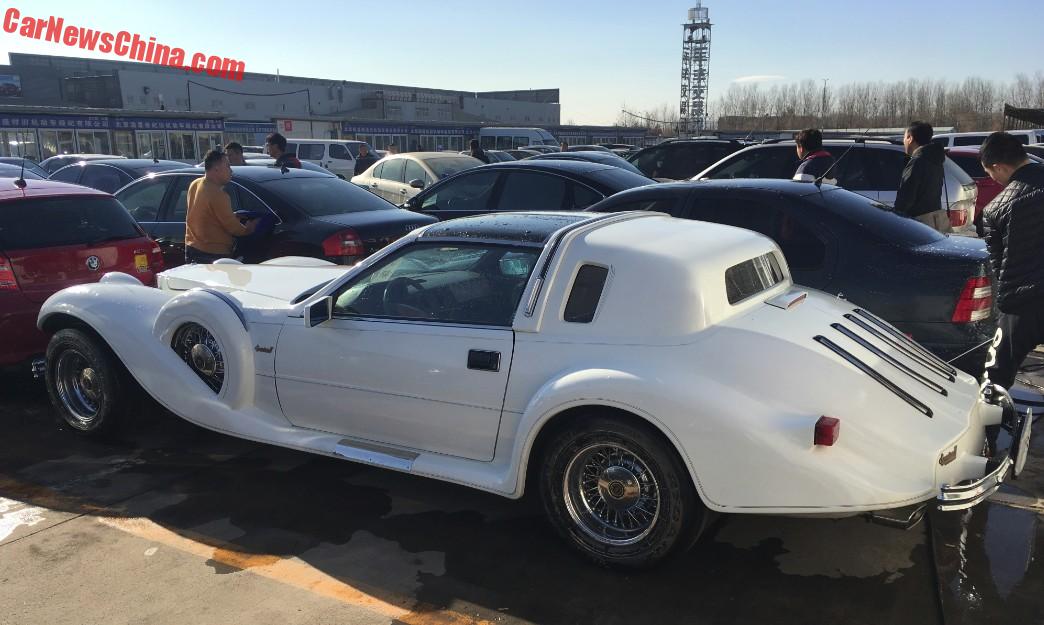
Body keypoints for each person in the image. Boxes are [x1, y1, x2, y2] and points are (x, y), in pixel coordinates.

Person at [979, 131, 1044, 390]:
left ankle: (993, 415)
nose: (992, 179)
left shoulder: (994, 210)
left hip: (1022, 305)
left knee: (996, 377)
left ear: (999, 167)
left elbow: (999, 267)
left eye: (989, 173)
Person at [184, 150, 258, 264]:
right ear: (216, 169)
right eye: (228, 166)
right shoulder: (218, 194)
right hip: (212, 253)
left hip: (192, 247)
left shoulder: (195, 184)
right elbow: (233, 227)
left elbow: (205, 215)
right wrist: (248, 229)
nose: (231, 170)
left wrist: (232, 216)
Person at [895, 121, 949, 233]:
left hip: (918, 226)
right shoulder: (935, 160)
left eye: (904, 137)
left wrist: (895, 218)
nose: (903, 141)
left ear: (910, 138)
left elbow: (905, 199)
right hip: (935, 222)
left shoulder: (917, 162)